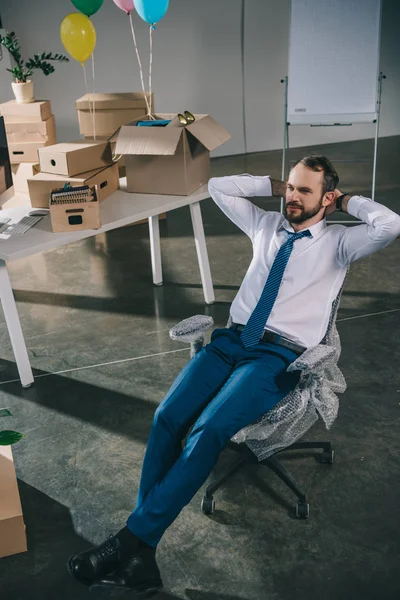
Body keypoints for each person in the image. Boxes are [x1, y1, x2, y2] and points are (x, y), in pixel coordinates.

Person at [67, 156, 400, 596]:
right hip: (230, 341)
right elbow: (218, 186)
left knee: (208, 429)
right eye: (292, 188)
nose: (294, 198)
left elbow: (389, 225)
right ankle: (141, 553)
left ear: (327, 198)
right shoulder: (265, 225)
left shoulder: (339, 243)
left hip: (275, 357)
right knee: (167, 416)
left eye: (305, 191)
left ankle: (129, 542)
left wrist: (351, 202)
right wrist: (276, 185)